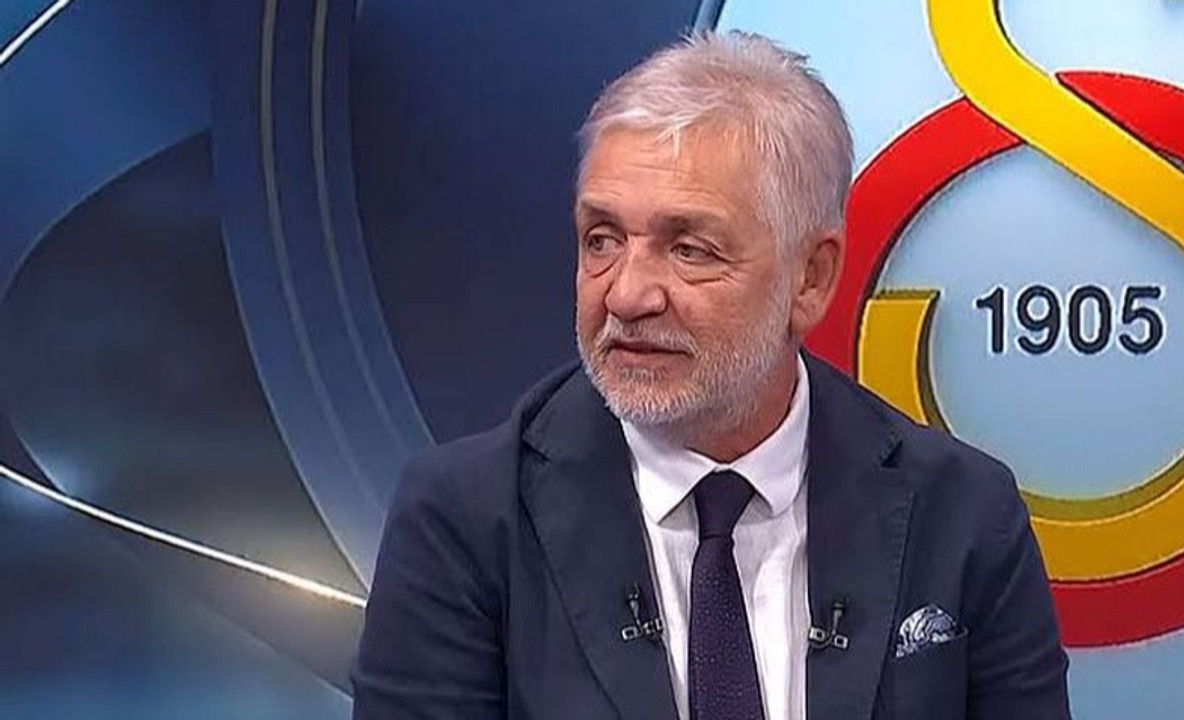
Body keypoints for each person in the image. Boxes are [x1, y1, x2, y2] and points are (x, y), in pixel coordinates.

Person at [352, 31, 1070, 720]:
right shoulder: (465, 523)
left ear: (810, 279)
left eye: (689, 249)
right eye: (601, 239)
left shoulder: (962, 516)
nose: (627, 295)